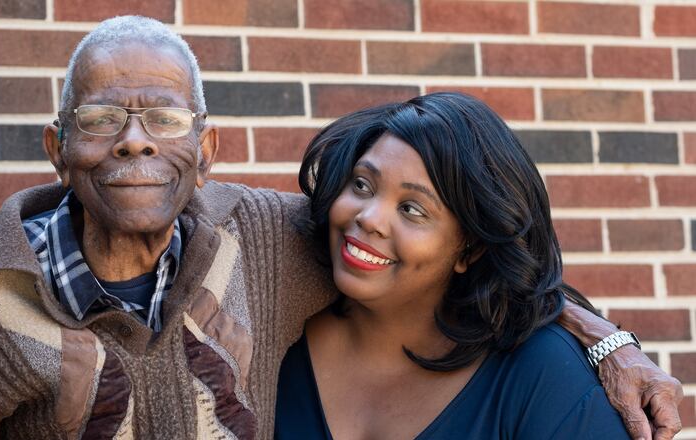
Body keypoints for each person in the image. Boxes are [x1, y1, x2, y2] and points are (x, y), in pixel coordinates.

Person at [0, 16, 681, 440]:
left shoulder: (260, 247)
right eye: (102, 117)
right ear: (58, 148)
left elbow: (474, 266)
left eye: (164, 118)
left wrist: (605, 340)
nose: (135, 140)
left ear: (204, 151)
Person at [274, 93, 663, 439]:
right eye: (362, 185)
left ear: (470, 249)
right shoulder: (272, 334)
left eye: (412, 209)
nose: (369, 217)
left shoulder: (544, 376)